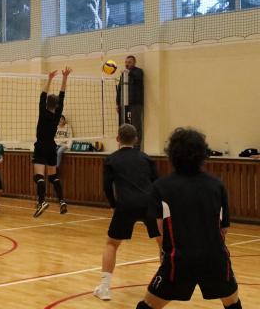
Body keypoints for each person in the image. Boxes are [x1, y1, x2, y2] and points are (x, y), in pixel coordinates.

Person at [135, 128, 241, 309]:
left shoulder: (161, 186)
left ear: (172, 154)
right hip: (215, 260)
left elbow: (159, 229)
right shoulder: (217, 185)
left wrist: (167, 252)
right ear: (202, 153)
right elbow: (224, 228)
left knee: (148, 305)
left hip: (179, 262)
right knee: (232, 304)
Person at [93, 124, 161, 301]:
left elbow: (107, 186)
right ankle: (166, 286)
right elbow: (157, 183)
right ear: (136, 139)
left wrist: (113, 204)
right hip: (149, 204)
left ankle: (104, 288)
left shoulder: (112, 159)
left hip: (126, 204)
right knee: (163, 244)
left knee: (112, 244)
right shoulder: (146, 158)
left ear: (117, 139)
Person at [33, 67, 72, 218]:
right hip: (52, 147)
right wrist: (65, 77)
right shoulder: (57, 115)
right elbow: (62, 95)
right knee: (53, 176)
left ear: (46, 104)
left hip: (41, 146)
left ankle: (42, 201)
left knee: (39, 177)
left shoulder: (43, 112)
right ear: (56, 106)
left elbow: (42, 94)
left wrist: (49, 78)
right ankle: (62, 201)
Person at [116, 55, 144, 150]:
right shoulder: (123, 74)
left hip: (135, 104)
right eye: (126, 62)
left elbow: (138, 78)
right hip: (124, 104)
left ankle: (137, 147)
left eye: (129, 62)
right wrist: (117, 103)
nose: (127, 64)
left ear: (134, 63)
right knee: (123, 125)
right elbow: (119, 89)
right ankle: (123, 145)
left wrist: (129, 73)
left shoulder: (138, 71)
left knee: (136, 125)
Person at [55, 114, 73, 181]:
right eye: (59, 119)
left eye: (61, 119)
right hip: (57, 144)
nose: (60, 121)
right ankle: (51, 168)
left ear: (64, 120)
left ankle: (57, 168)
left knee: (59, 152)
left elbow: (70, 137)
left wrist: (68, 146)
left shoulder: (68, 127)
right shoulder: (56, 127)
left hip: (64, 144)